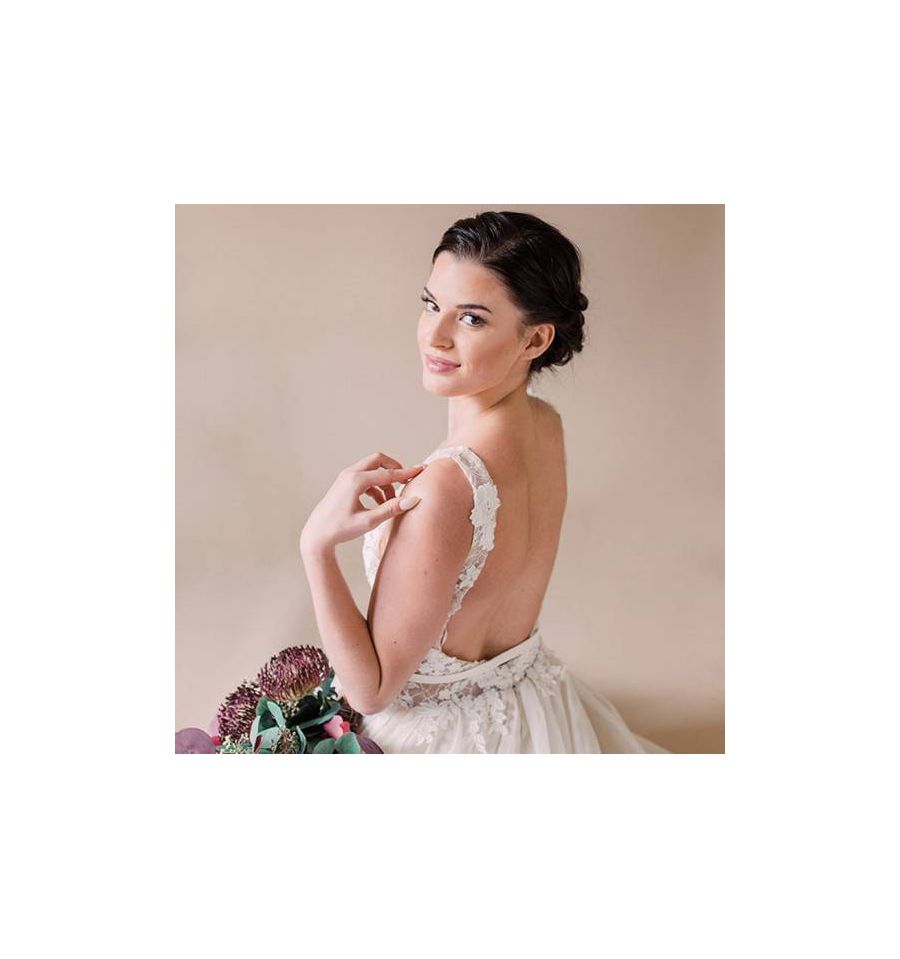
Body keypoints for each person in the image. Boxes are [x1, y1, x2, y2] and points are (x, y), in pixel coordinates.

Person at [300, 211, 669, 753]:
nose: (436, 336)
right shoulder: (545, 425)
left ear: (535, 339)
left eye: (471, 319)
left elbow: (370, 692)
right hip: (534, 711)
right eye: (431, 304)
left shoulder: (444, 488)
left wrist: (316, 546)